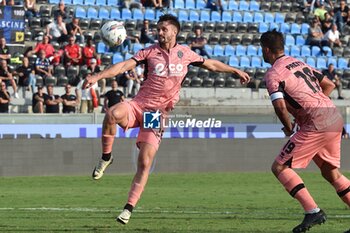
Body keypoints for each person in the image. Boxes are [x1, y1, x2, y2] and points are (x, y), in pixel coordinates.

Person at [83, 14, 250, 225]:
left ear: (174, 31)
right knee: (112, 114)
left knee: (144, 162)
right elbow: (124, 66)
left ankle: (128, 208)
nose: (159, 32)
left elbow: (212, 65)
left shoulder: (186, 53)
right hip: (139, 105)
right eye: (158, 29)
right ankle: (106, 157)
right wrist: (97, 77)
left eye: (163, 29)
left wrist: (234, 70)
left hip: (157, 114)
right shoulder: (149, 52)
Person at [260, 29, 350, 233]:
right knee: (331, 173)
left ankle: (313, 211)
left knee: (280, 167)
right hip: (334, 117)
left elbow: (280, 107)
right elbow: (329, 84)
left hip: (317, 122)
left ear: (266, 50)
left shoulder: (274, 74)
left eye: (262, 51)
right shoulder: (298, 62)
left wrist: (290, 127)